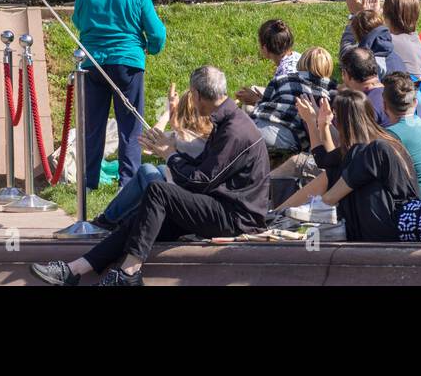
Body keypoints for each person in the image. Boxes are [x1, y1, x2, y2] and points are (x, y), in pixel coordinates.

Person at [31, 65, 269, 286]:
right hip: (222, 207)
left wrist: (170, 155)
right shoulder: (228, 121)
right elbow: (202, 170)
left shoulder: (234, 130)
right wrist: (171, 154)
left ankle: (128, 273)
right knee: (142, 216)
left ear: (196, 94)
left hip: (236, 217)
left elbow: (201, 181)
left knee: (157, 191)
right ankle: (75, 270)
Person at [71, 0, 167, 194]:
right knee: (130, 125)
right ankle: (129, 181)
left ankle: (88, 181)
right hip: (128, 63)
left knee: (93, 125)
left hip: (92, 64)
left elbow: (78, 21)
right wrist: (151, 48)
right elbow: (156, 32)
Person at [277, 89, 420, 242]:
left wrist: (315, 123)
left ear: (343, 120)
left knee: (334, 173)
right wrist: (319, 124)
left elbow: (328, 162)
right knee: (334, 172)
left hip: (393, 220)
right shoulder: (367, 145)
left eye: (336, 117)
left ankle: (291, 212)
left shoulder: (377, 148)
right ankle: (279, 214)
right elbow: (326, 160)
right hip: (380, 219)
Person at [92, 82, 212, 232]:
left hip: (182, 205)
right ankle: (122, 219)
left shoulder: (184, 138)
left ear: (183, 112)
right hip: (198, 201)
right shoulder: (207, 136)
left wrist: (168, 111)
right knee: (162, 169)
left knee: (146, 170)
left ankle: (107, 219)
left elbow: (149, 142)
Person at [250, 47, 335, 153]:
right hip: (292, 136)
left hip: (261, 122)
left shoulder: (281, 79)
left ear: (301, 63)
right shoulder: (330, 90)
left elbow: (264, 101)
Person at [235, 19, 300, 105]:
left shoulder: (282, 77)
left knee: (248, 108)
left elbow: (280, 109)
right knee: (254, 89)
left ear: (265, 48)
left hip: (294, 113)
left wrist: (255, 100)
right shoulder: (299, 57)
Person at [340, 0, 394, 71]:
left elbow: (346, 45)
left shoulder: (353, 60)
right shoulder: (395, 52)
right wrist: (374, 18)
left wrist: (355, 15)